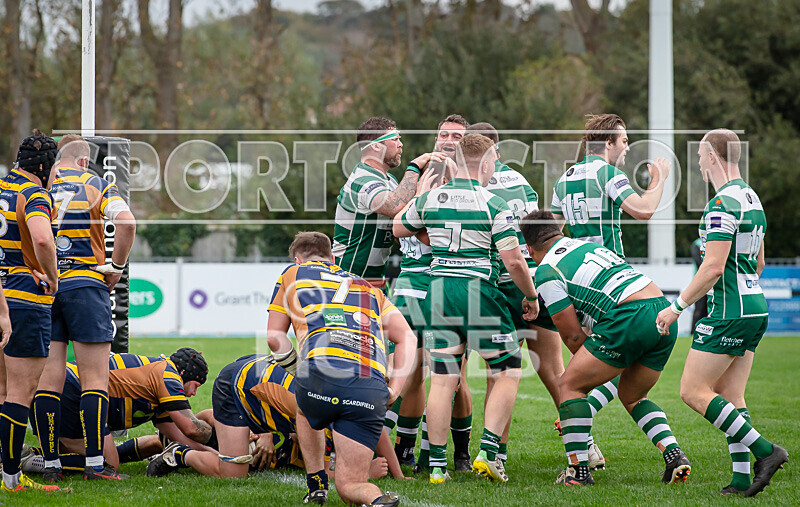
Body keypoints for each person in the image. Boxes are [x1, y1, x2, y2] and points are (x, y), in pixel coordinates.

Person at [394, 134, 539, 484]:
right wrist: (531, 296)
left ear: (455, 162)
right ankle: (489, 451)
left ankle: (438, 468)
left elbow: (399, 227)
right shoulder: (494, 203)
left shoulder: (430, 199)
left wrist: (431, 232)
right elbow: (515, 262)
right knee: (507, 369)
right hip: (477, 291)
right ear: (487, 164)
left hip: (439, 289)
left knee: (444, 380)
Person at [656, 129, 788, 497]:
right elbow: (758, 262)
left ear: (713, 155)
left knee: (692, 390)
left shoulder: (721, 204)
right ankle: (742, 479)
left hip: (730, 310)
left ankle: (767, 452)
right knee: (732, 394)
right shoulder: (752, 198)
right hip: (754, 306)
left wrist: (675, 307)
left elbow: (712, 267)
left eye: (700, 155)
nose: (697, 162)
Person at [520, 210, 690, 486]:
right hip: (662, 310)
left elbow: (574, 338)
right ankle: (674, 456)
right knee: (633, 396)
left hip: (629, 316)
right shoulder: (588, 245)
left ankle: (578, 473)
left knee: (568, 386)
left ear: (528, 248)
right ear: (558, 232)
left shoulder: (547, 270)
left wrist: (594, 364)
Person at [267, 232, 415, 506]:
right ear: (333, 259)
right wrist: (394, 389)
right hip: (370, 387)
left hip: (320, 380)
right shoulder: (370, 289)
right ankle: (377, 499)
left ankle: (316, 485)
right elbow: (408, 337)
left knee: (303, 407)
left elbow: (274, 338)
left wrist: (299, 372)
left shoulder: (293, 273)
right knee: (351, 485)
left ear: (298, 259)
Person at [549, 113, 672, 443]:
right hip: (613, 280)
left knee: (595, 361)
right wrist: (658, 179)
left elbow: (553, 232)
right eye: (625, 140)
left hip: (578, 282)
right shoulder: (608, 173)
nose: (628, 147)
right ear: (608, 143)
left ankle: (583, 437)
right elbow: (643, 210)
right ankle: (582, 435)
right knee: (615, 362)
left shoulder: (564, 179)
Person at [468, 122, 578, 467]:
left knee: (500, 373)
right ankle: (582, 447)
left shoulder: (470, 186)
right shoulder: (520, 181)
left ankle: (495, 454)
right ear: (498, 149)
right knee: (556, 372)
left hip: (498, 286)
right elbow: (537, 230)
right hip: (531, 281)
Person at [31, 134, 136, 482]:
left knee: (49, 380)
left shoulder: (38, 186)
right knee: (94, 379)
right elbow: (127, 223)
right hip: (85, 284)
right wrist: (116, 267)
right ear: (82, 160)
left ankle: (49, 464)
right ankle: (95, 464)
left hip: (45, 286)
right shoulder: (96, 183)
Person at [389, 114, 475, 474]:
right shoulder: (421, 174)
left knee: (453, 376)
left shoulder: (467, 180)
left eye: (457, 135)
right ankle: (404, 450)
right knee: (406, 371)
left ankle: (452, 453)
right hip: (409, 282)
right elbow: (395, 215)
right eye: (444, 133)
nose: (448, 139)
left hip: (446, 281)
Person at [0, 130, 62, 493]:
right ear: (44, 167)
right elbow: (42, 238)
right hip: (25, 298)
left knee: (2, 390)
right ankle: (12, 480)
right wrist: (52, 278)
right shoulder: (33, 194)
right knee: (21, 393)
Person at [44, 349, 213, 472]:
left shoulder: (161, 379)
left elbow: (181, 439)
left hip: (61, 388)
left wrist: (218, 458)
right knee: (108, 464)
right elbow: (192, 429)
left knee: (71, 453)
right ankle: (34, 461)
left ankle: (33, 455)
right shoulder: (169, 375)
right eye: (195, 386)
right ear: (185, 374)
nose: (194, 393)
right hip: (71, 391)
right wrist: (212, 435)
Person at [330, 116, 443, 289]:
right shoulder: (362, 180)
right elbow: (395, 206)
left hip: (374, 281)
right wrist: (414, 167)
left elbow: (404, 224)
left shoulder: (389, 180)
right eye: (395, 139)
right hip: (345, 279)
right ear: (376, 145)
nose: (401, 144)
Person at [146, 354, 303, 478]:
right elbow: (206, 416)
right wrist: (264, 433)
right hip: (238, 438)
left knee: (162, 440)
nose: (194, 393)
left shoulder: (313, 441)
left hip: (237, 448)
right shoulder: (296, 411)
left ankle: (174, 450)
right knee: (172, 438)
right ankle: (178, 452)